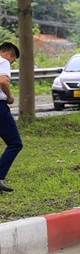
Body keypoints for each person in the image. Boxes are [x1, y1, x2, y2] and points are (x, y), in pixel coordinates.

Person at [0, 42, 21, 193]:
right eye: (12, 60)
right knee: (15, 143)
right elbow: (3, 81)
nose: (11, 63)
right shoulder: (3, 61)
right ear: (8, 54)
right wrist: (10, 96)